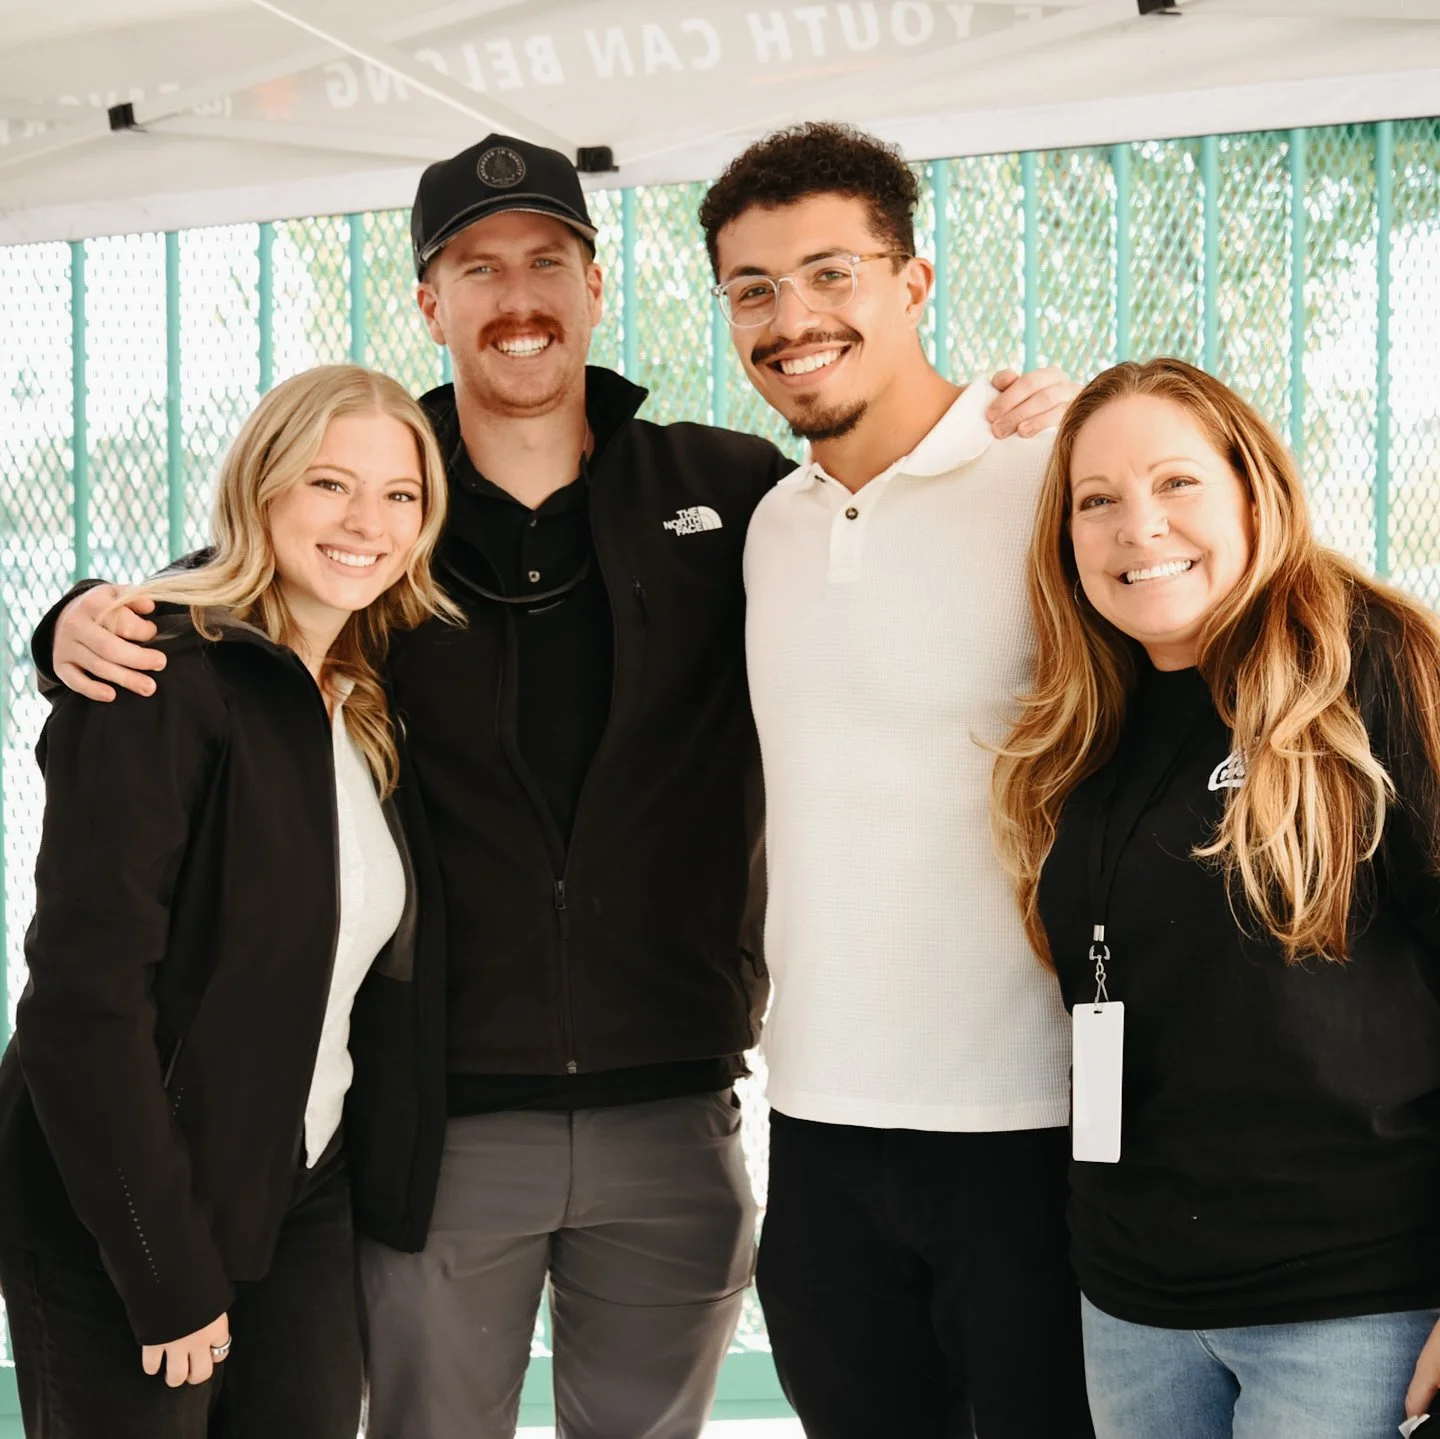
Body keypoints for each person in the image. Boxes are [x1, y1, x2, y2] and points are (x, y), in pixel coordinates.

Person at [37, 133, 1067, 1439]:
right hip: (445, 1112)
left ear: (596, 285)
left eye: (545, 261)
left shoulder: (731, 491)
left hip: (678, 1099)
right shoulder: (381, 499)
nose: (514, 296)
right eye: (476, 268)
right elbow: (227, 596)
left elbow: (895, 502)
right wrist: (72, 618)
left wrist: (1033, 422)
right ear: (430, 302)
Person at [699, 122, 1091, 1437]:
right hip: (817, 1130)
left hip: (1038, 1125)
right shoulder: (767, 526)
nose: (789, 318)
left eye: (829, 273)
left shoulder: (1059, 481)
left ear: (913, 283)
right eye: (753, 288)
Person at [0, 364, 457, 1438]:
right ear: (261, 489)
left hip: (296, 1182)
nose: (367, 522)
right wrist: (159, 1259)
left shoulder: (356, 691)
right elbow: (80, 1002)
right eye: (330, 484)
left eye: (400, 496)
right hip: (122, 1195)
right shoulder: (154, 671)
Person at [991, 356, 1440, 1437]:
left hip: (1348, 1301)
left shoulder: (1370, 666)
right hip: (1134, 1298)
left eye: (1176, 482)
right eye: (1096, 500)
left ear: (1254, 489)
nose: (1137, 526)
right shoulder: (1087, 717)